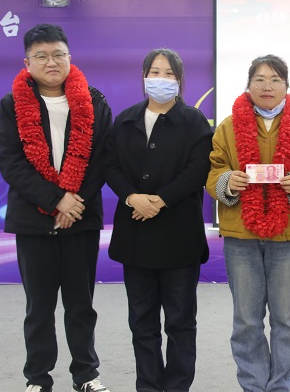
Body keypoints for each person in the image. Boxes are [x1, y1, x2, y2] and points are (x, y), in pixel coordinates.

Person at [0, 23, 112, 392]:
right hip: (33, 221)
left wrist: (73, 203)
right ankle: (37, 378)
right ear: (27, 62)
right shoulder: (11, 105)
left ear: (69, 57)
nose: (51, 62)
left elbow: (102, 160)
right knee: (39, 307)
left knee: (81, 305)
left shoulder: (94, 101)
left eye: (58, 54)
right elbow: (11, 163)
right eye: (41, 56)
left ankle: (86, 375)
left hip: (81, 218)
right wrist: (55, 199)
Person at [206, 54, 290, 392]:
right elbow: (214, 171)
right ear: (248, 85)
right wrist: (228, 181)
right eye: (259, 79)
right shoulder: (228, 127)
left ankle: (280, 386)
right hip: (241, 235)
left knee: (286, 320)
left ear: (287, 86)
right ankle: (253, 386)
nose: (267, 86)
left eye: (275, 79)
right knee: (246, 320)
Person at [105, 49, 212, 392]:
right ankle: (148, 386)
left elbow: (198, 169)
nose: (161, 79)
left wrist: (161, 199)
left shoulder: (194, 121)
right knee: (142, 323)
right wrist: (131, 196)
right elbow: (110, 165)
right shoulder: (126, 120)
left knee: (180, 322)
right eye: (155, 72)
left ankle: (178, 386)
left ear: (179, 80)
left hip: (179, 238)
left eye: (169, 73)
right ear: (144, 76)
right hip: (136, 237)